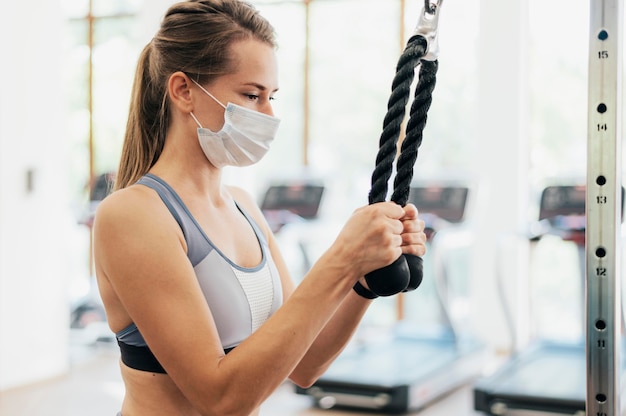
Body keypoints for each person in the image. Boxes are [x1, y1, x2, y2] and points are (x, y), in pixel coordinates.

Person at [92, 1, 427, 415]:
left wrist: (365, 277)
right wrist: (342, 259)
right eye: (251, 95)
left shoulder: (243, 206)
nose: (269, 114)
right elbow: (221, 398)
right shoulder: (133, 215)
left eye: (272, 97)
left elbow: (305, 364)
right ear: (183, 91)